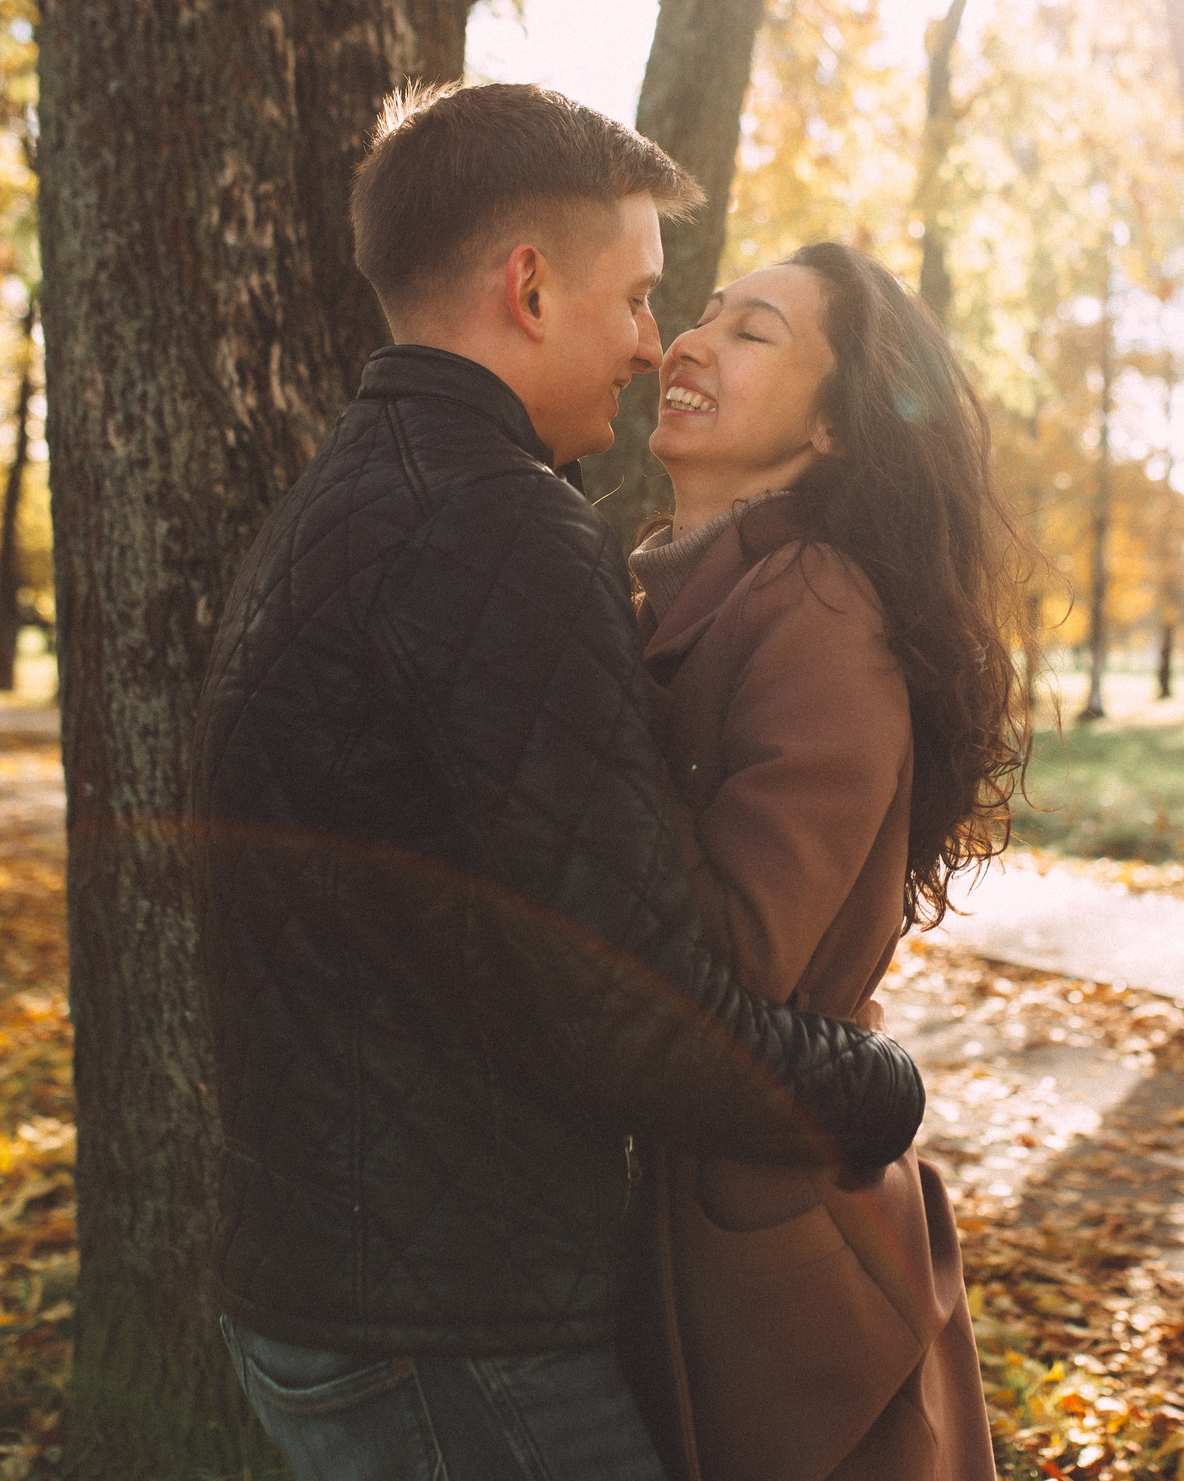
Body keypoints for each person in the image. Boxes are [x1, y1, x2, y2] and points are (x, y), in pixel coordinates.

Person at [192, 85, 925, 1481]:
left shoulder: (347, 495)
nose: (656, 344)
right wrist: (873, 1085)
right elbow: (632, 1005)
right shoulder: (505, 531)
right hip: (446, 1318)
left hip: (352, 1275)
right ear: (529, 286)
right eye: (644, 297)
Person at [625, 243, 1027, 1481]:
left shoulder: (815, 605)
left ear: (837, 430)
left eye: (753, 333)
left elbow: (741, 954)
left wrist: (571, 726)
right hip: (686, 1224)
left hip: (770, 1269)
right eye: (697, 318)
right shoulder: (681, 585)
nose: (688, 344)